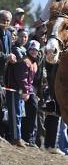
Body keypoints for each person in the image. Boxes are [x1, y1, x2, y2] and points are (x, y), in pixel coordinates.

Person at [5, 40, 39, 148]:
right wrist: (26, 91)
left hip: (22, 92)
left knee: (19, 114)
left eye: (36, 50)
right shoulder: (24, 61)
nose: (34, 51)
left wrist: (28, 91)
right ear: (28, 49)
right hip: (16, 90)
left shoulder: (33, 63)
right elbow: (22, 78)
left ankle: (18, 136)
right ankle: (15, 138)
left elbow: (30, 80)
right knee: (15, 114)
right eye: (32, 49)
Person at [0, 10, 17, 140]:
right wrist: (7, 57)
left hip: (3, 75)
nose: (5, 22)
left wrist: (12, 58)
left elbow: (9, 53)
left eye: (7, 20)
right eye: (3, 19)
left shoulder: (9, 35)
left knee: (2, 103)